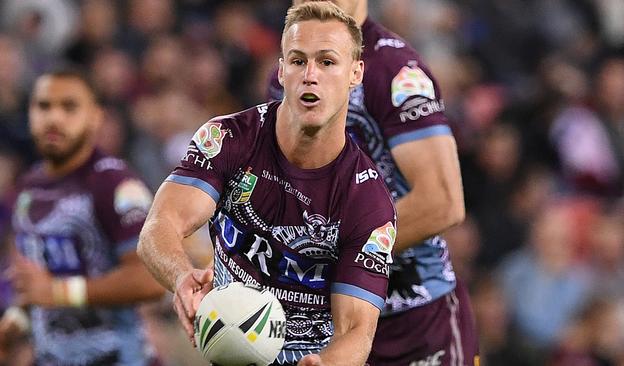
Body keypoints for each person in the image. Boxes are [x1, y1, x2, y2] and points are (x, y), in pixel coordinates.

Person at [137, 2, 396, 366]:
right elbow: (159, 226)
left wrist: (327, 364)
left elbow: (356, 331)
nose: (310, 75)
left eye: (327, 61)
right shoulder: (229, 139)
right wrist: (181, 276)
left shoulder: (367, 202)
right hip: (222, 348)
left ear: (356, 73)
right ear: (281, 70)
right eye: (297, 60)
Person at [268, 1, 477, 365]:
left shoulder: (395, 71)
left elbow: (441, 202)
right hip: (324, 324)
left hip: (411, 318)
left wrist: (333, 255)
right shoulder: (285, 73)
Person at [0, 68, 166, 365]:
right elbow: (39, 284)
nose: (54, 118)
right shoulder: (28, 187)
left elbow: (150, 280)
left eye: (69, 107)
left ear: (95, 117)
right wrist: (14, 324)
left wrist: (58, 291)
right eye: (43, 106)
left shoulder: (114, 183)